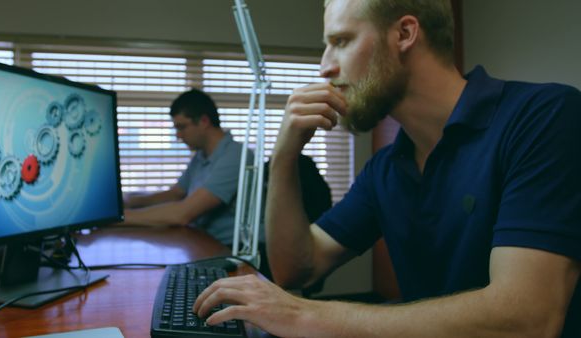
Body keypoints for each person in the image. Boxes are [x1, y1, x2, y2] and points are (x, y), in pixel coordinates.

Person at [193, 0, 581, 337]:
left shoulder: (543, 117)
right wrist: (284, 157)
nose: (325, 67)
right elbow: (298, 268)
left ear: (405, 33)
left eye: (341, 41)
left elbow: (527, 320)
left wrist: (304, 314)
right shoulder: (387, 168)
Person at [122, 88, 254, 245]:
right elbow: (176, 193)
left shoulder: (236, 155)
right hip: (203, 241)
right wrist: (132, 201)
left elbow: (183, 213)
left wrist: (119, 217)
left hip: (230, 250)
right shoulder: (201, 155)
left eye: (182, 127)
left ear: (204, 121)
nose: (178, 135)